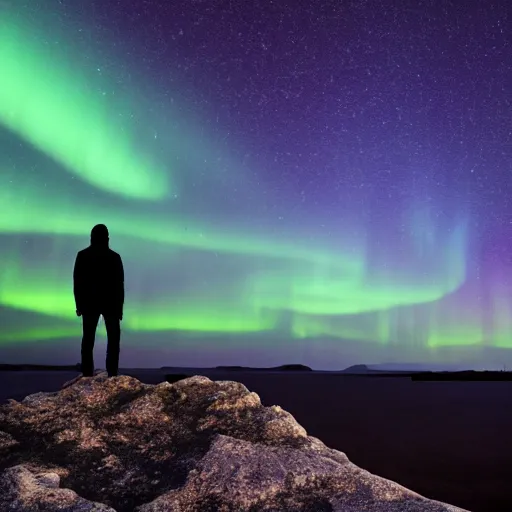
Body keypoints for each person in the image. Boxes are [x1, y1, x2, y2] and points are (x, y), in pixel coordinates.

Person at [73, 224, 124, 377]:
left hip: (93, 303)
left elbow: (78, 282)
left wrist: (79, 305)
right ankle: (111, 373)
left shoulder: (83, 255)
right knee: (110, 341)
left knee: (89, 340)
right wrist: (119, 308)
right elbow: (119, 285)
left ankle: (89, 373)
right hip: (109, 303)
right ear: (106, 238)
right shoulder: (114, 257)